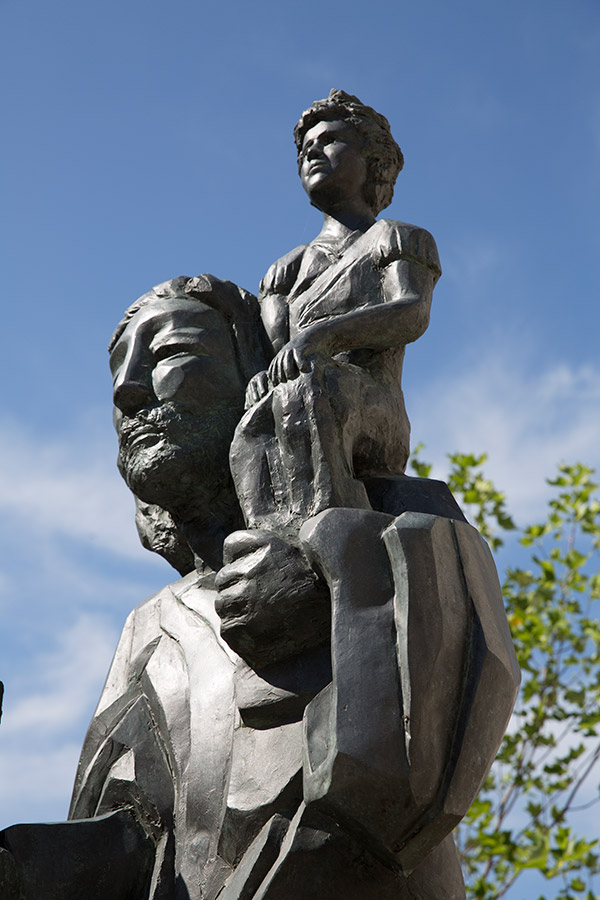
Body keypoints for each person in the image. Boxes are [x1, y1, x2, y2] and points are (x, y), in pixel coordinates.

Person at [231, 90, 442, 539]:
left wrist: (322, 337)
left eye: (329, 140)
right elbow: (274, 352)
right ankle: (268, 535)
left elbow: (411, 312)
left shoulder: (398, 237)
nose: (311, 150)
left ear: (374, 162)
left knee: (311, 391)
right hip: (300, 396)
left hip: (369, 406)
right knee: (252, 424)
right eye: (305, 147)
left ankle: (335, 533)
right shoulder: (285, 270)